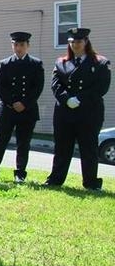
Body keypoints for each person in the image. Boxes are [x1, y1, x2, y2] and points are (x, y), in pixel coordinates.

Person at [44, 28, 111, 190]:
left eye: (79, 42)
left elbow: (101, 87)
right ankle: (56, 179)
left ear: (86, 42)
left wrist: (79, 99)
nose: (75, 45)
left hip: (89, 112)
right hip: (65, 112)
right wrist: (67, 99)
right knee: (62, 147)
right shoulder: (62, 63)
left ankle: (91, 182)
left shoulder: (100, 62)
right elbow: (56, 85)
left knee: (88, 148)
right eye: (72, 42)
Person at [0, 32, 44, 183]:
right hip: (8, 109)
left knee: (23, 142)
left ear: (27, 46)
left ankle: (20, 173)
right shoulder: (5, 64)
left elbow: (38, 88)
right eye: (16, 45)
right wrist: (13, 102)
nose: (18, 48)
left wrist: (24, 103)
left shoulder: (36, 64)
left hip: (27, 109)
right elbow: (0, 86)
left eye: (22, 45)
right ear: (12, 45)